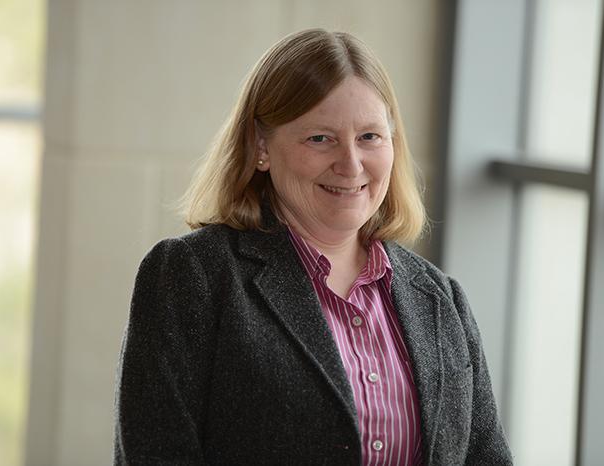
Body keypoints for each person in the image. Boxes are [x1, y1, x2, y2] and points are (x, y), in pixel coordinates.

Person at [114, 28, 512, 466]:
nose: (350, 163)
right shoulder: (191, 277)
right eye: (320, 138)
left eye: (370, 137)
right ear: (260, 147)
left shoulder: (441, 298)